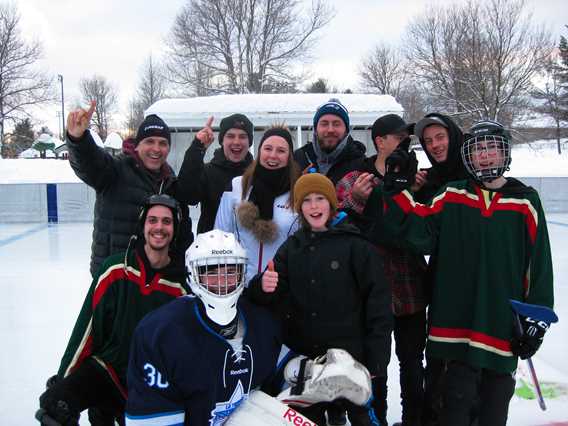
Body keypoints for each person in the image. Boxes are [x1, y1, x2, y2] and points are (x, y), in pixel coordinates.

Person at [365, 120, 554, 426]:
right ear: (469, 156)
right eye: (478, 150)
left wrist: (537, 320)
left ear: (504, 153)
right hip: (453, 327)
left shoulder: (526, 201)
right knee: (451, 408)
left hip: (499, 326)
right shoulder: (452, 194)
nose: (485, 156)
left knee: (493, 410)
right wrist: (396, 189)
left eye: (492, 148)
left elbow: (539, 264)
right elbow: (418, 229)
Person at [247, 172, 393, 426]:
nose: (314, 206)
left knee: (364, 418)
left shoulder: (356, 245)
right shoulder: (293, 247)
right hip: (309, 362)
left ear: (331, 203)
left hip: (352, 360)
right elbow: (264, 291)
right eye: (306, 201)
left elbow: (378, 304)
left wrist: (377, 360)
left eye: (320, 199)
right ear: (299, 208)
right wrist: (263, 285)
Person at [36, 194, 189, 426]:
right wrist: (64, 380)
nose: (159, 227)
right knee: (55, 407)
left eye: (166, 222)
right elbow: (86, 330)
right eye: (152, 220)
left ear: (175, 229)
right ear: (143, 225)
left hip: (148, 385)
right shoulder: (115, 269)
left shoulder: (181, 289)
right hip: (106, 372)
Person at [125, 229, 283, 425]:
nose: (222, 280)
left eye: (231, 270)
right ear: (192, 274)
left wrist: (295, 375)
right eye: (211, 271)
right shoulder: (160, 333)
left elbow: (273, 390)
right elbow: (151, 416)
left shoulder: (262, 323)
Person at [336, 114, 428, 426]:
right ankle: (379, 421)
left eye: (408, 139)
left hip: (410, 287)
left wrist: (414, 194)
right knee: (375, 365)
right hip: (369, 292)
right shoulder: (354, 179)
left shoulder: (418, 178)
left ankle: (415, 420)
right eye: (400, 138)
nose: (407, 143)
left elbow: (426, 230)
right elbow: (337, 230)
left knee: (413, 362)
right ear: (380, 141)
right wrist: (358, 202)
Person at [67, 101, 193, 277]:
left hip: (156, 276)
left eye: (163, 143)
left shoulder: (170, 181)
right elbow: (91, 163)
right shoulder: (116, 169)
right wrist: (78, 140)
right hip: (114, 275)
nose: (156, 149)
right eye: (150, 141)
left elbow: (180, 232)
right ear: (137, 145)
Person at [214, 125, 300, 284]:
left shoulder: (298, 192)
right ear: (260, 152)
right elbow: (220, 235)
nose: (273, 155)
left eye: (281, 151)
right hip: (239, 287)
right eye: (268, 148)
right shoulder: (237, 186)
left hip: (278, 288)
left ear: (289, 157)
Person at [177, 114, 254, 234]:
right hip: (210, 248)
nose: (236, 141)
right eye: (230, 136)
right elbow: (187, 196)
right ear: (222, 140)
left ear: (249, 142)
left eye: (242, 136)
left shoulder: (257, 174)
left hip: (248, 249)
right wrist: (197, 148)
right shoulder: (208, 171)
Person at [293, 98, 366, 184]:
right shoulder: (299, 159)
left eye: (336, 124)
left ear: (346, 130)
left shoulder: (360, 164)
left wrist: (357, 196)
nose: (330, 130)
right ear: (315, 129)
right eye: (324, 124)